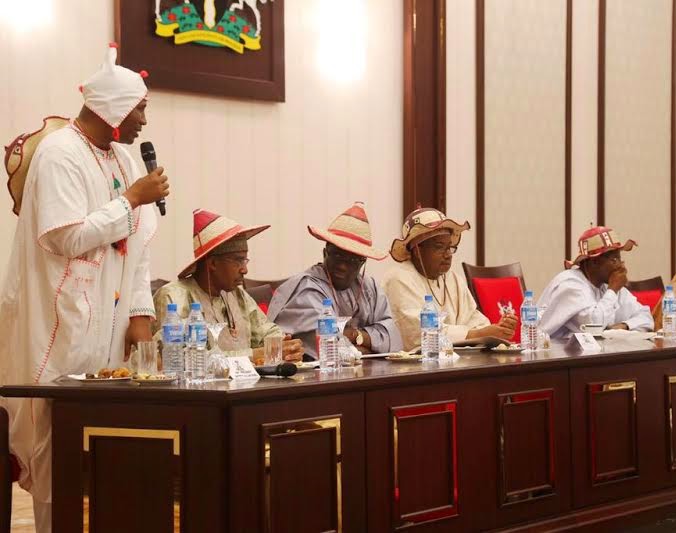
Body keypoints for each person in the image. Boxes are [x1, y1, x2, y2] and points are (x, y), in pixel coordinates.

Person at [0, 43, 168, 532]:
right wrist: (130, 200)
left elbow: (138, 246)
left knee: (109, 446)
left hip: (109, 330)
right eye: (139, 108)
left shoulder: (123, 159)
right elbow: (64, 236)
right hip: (61, 325)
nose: (144, 121)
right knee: (56, 446)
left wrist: (141, 314)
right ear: (113, 108)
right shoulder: (60, 154)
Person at [153, 209, 303, 360]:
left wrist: (285, 346)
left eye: (245, 261)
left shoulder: (237, 294)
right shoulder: (173, 296)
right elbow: (180, 359)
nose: (244, 270)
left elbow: (267, 331)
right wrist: (255, 355)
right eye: (238, 261)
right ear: (213, 263)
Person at [268, 202, 401, 358]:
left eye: (352, 260)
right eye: (337, 255)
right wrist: (369, 345)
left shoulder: (370, 288)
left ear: (362, 263)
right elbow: (331, 349)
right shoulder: (307, 288)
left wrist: (355, 335)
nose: (343, 266)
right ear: (325, 254)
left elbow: (393, 340)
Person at [382, 207, 518, 351]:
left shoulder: (452, 278)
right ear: (417, 251)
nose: (448, 255)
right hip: (418, 363)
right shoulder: (398, 278)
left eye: (450, 247)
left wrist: (498, 330)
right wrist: (480, 334)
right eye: (439, 247)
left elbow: (474, 320)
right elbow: (419, 334)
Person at [537, 225, 654, 338]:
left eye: (620, 259)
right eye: (614, 259)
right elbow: (593, 327)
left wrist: (625, 326)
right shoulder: (570, 284)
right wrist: (612, 290)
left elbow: (646, 317)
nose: (620, 266)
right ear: (594, 262)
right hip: (551, 349)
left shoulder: (607, 284)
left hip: (587, 350)